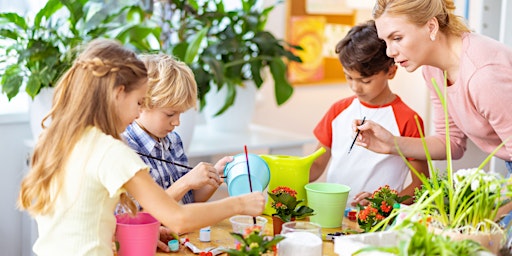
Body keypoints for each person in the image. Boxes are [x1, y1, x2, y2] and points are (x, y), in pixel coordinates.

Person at [17, 39, 265, 256]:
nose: (138, 111)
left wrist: (125, 233)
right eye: (138, 102)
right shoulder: (111, 150)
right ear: (118, 94)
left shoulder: (59, 138)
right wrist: (240, 204)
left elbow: (80, 219)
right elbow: (178, 219)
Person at [354, 0, 512, 173]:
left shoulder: (483, 76)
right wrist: (392, 143)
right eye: (386, 42)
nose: (389, 52)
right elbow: (451, 142)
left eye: (397, 38)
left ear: (431, 27)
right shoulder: (433, 69)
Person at [309, 20, 429, 207]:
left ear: (391, 71)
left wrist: (384, 202)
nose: (355, 87)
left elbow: (420, 185)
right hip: (332, 214)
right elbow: (316, 166)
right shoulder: (338, 110)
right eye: (349, 77)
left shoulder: (408, 120)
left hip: (377, 223)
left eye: (365, 81)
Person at [121, 54, 232, 252]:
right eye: (170, 114)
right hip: (144, 246)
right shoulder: (124, 148)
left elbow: (189, 200)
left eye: (181, 114)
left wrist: (212, 178)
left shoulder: (173, 141)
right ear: (142, 103)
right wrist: (186, 182)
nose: (177, 122)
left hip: (179, 240)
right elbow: (137, 220)